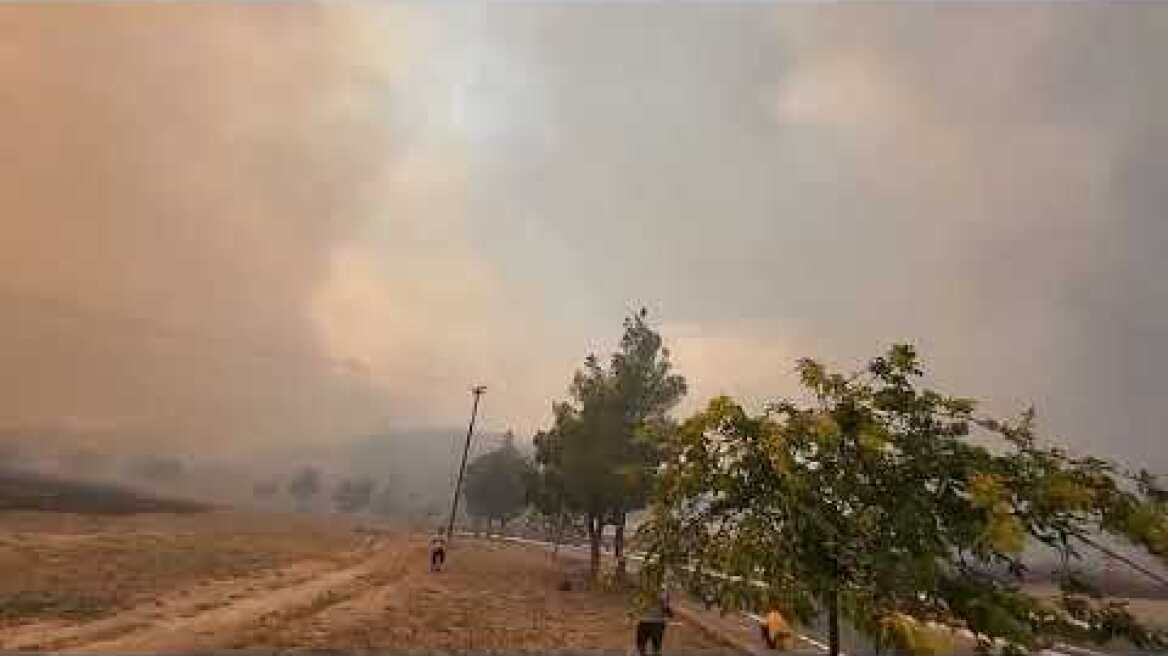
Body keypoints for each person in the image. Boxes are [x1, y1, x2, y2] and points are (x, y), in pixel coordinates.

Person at [635, 589, 672, 656]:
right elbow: (666, 608)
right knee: (655, 647)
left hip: (647, 622)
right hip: (654, 623)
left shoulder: (642, 592)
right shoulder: (662, 593)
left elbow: (637, 606)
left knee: (643, 646)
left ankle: (644, 651)